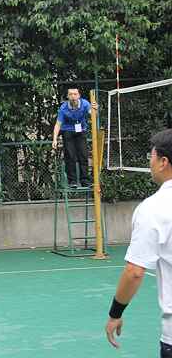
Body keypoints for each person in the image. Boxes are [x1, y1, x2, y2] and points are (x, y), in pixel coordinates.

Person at [105, 129, 172, 357]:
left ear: (163, 162)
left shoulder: (153, 209)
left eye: (151, 156)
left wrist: (115, 313)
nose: (149, 162)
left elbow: (134, 271)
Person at [52, 88, 98, 188]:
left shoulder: (85, 104)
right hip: (67, 131)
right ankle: (72, 181)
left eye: (75, 94)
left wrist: (95, 109)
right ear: (68, 96)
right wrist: (54, 139)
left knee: (83, 155)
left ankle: (85, 181)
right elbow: (58, 124)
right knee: (70, 156)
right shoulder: (63, 108)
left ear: (79, 96)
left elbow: (93, 114)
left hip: (81, 130)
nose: (73, 96)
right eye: (71, 94)